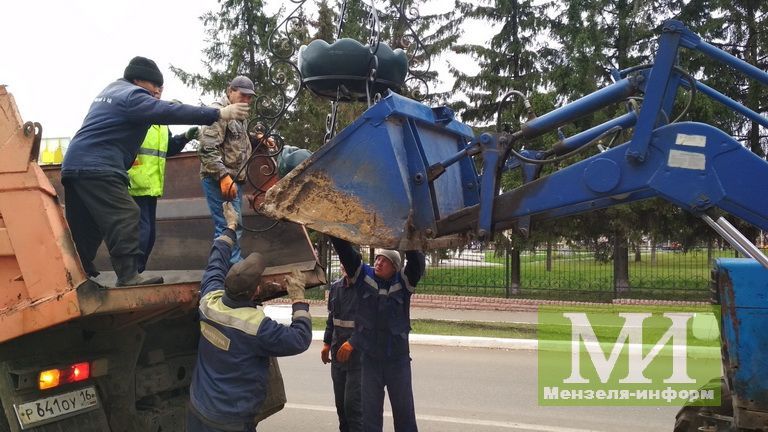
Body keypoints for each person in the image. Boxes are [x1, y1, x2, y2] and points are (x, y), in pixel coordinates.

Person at [61, 56, 249, 287]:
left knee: (86, 225)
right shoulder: (132, 95)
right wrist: (217, 114)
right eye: (155, 86)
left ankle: (78, 274)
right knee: (127, 215)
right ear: (139, 80)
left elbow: (163, 138)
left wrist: (184, 137)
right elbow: (170, 111)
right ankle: (128, 276)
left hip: (74, 164)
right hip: (100, 166)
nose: (157, 92)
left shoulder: (110, 92)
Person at [188, 202, 312, 431]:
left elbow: (216, 260)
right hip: (232, 420)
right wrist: (298, 298)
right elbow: (300, 339)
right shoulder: (257, 328)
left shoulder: (209, 302)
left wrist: (230, 227)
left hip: (198, 410)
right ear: (256, 291)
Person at [329, 237, 426, 432]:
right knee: (370, 418)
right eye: (377, 259)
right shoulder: (363, 278)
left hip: (398, 362)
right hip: (370, 361)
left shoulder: (404, 282)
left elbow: (416, 262)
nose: (378, 263)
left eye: (385, 260)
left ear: (395, 267)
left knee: (404, 414)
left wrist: (407, 234)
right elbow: (346, 252)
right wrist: (335, 230)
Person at [128, 99, 200, 273]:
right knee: (142, 231)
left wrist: (184, 138)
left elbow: (168, 148)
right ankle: (131, 273)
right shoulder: (138, 118)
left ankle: (138, 272)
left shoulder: (161, 125)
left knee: (150, 233)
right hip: (133, 183)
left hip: (151, 186)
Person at [198, 76, 256, 264]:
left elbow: (236, 139)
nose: (246, 100)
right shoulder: (218, 112)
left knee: (234, 225)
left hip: (233, 179)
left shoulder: (238, 114)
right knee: (227, 226)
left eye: (250, 97)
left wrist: (256, 138)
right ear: (230, 91)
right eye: (243, 95)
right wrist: (223, 177)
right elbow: (207, 147)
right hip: (219, 179)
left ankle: (231, 267)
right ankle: (228, 272)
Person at [322, 264, 362, 432]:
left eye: (348, 262)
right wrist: (326, 343)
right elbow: (332, 318)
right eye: (343, 263)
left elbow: (371, 323)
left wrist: (353, 342)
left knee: (353, 407)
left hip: (359, 358)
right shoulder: (336, 287)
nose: (345, 266)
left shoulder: (365, 288)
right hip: (338, 355)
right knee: (341, 407)